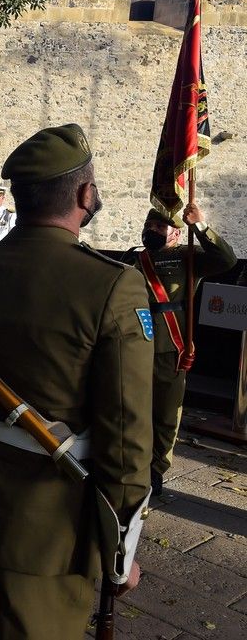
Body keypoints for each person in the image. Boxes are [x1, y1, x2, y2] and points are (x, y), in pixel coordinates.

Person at [0, 123, 153, 638]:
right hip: (46, 530)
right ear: (85, 194)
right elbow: (127, 437)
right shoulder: (113, 286)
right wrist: (120, 549)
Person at [121, 205, 236, 495]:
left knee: (165, 413)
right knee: (133, 410)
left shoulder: (187, 257)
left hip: (168, 347)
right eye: (150, 224)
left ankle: (156, 469)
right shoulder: (134, 258)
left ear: (175, 232)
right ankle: (132, 462)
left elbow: (226, 260)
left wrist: (200, 226)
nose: (152, 230)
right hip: (133, 344)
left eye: (159, 227)